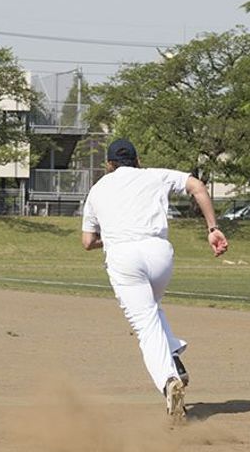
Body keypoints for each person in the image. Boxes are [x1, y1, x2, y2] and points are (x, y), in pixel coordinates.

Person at [80, 138, 229, 421]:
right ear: (137, 160)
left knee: (145, 325)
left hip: (124, 257)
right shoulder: (154, 175)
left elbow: (87, 241)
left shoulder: (98, 189)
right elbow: (197, 186)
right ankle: (172, 354)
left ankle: (168, 380)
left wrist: (112, 238)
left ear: (109, 165)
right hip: (159, 253)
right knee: (153, 308)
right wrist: (213, 227)